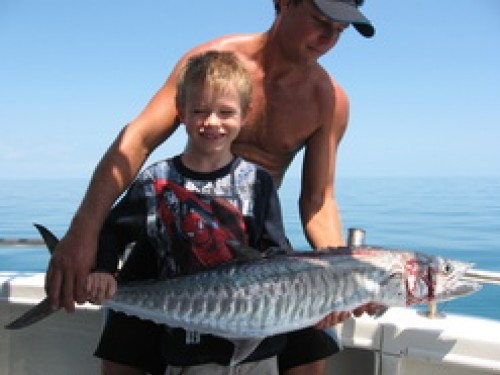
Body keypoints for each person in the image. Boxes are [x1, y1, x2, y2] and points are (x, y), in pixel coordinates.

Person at [46, 0, 377, 374]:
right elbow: (137, 140)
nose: (328, 37)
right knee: (124, 358)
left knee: (310, 361)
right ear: (285, 3)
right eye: (320, 21)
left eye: (340, 31)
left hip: (255, 245)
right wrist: (83, 233)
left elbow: (318, 200)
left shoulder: (328, 99)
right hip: (176, 231)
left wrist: (341, 274)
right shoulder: (210, 61)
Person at [87, 50, 291, 375]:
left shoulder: (257, 181)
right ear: (181, 113)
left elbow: (276, 252)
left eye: (225, 112)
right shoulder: (157, 181)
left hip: (258, 344)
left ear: (245, 114)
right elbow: (112, 229)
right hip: (187, 346)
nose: (212, 122)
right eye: (200, 111)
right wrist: (102, 269)